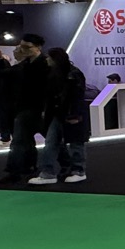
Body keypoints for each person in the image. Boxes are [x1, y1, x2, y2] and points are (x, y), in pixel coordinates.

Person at [30, 48, 90, 185]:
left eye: (49, 57)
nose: (47, 60)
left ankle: (78, 171)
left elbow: (77, 96)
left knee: (75, 143)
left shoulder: (73, 74)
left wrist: (74, 114)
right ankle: (48, 173)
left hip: (71, 113)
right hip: (58, 113)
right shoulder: (53, 74)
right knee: (51, 143)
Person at [0, 35, 50, 183]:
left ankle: (70, 167)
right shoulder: (24, 65)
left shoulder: (46, 64)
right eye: (21, 47)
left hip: (42, 109)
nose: (23, 50)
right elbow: (6, 76)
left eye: (27, 47)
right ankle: (17, 171)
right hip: (25, 109)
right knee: (20, 141)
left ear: (38, 47)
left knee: (54, 141)